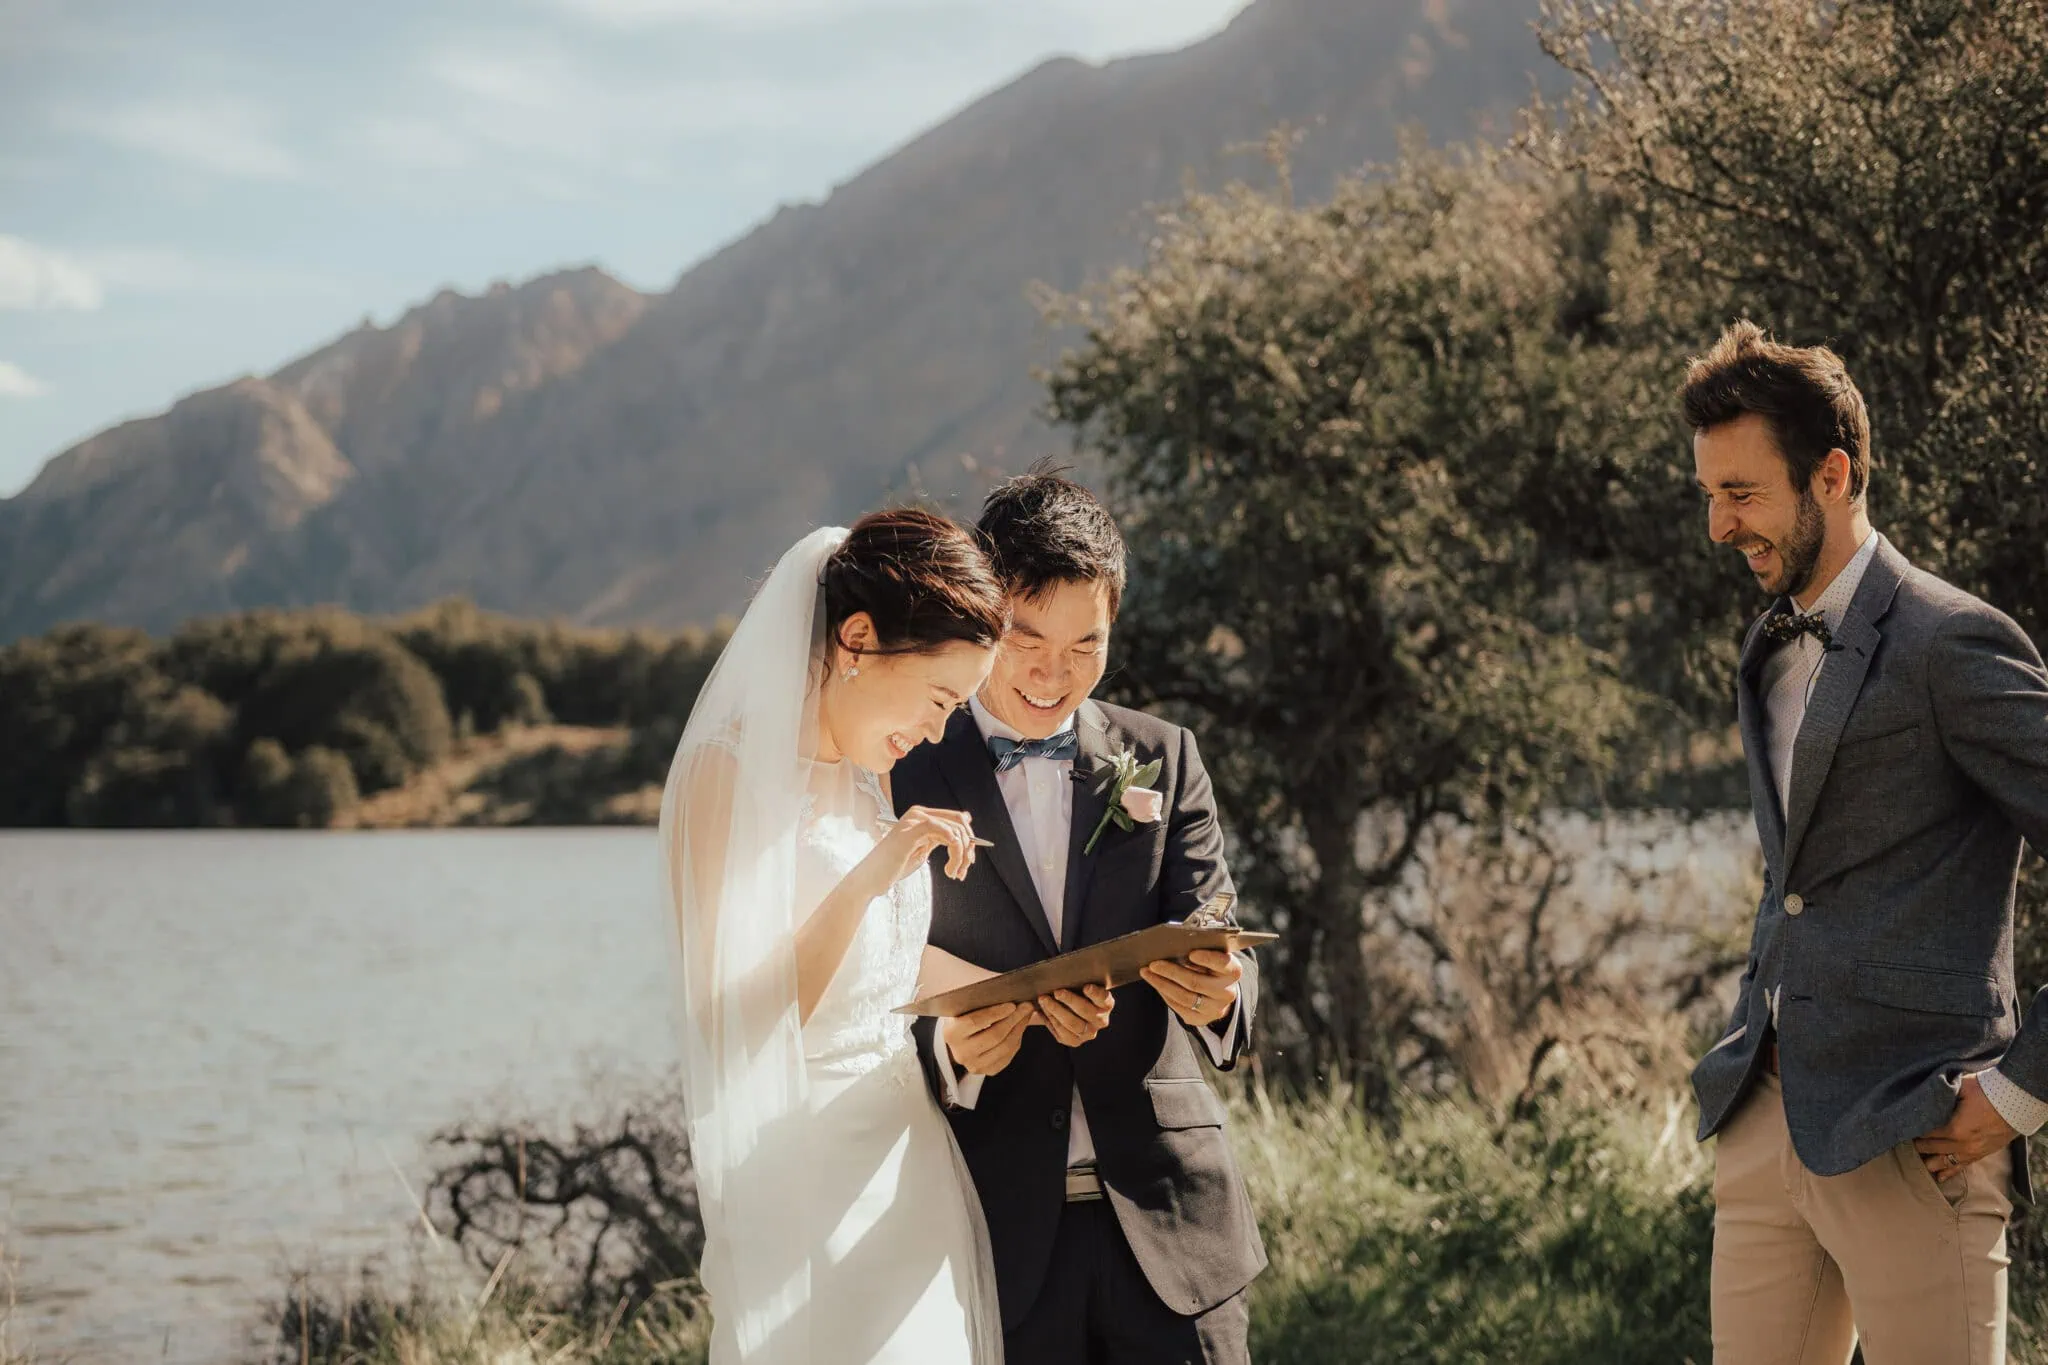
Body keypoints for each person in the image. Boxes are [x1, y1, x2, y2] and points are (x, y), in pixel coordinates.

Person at [1686, 321, 2048, 1364]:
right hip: (1761, 1114)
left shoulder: (1951, 642)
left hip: (1919, 1131)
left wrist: (2018, 1090)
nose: (1717, 526)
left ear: (1831, 475)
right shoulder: (1763, 645)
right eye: (1708, 494)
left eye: (1741, 493)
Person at [892, 467, 1267, 1365]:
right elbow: (861, 986)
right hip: (995, 1239)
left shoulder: (1164, 757)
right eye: (1026, 638)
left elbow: (1217, 932)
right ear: (981, 613)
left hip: (1178, 1234)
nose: (1054, 673)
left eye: (1086, 644)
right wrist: (952, 1053)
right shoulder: (902, 769)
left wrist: (1219, 989)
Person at [658, 508, 1014, 1365]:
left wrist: (1014, 994)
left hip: (906, 1172)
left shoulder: (865, 780)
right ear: (858, 639)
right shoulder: (724, 774)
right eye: (938, 698)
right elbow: (733, 1023)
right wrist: (871, 873)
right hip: (800, 1186)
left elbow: (883, 963)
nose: (937, 731)